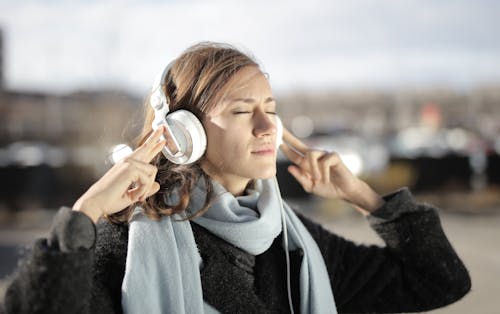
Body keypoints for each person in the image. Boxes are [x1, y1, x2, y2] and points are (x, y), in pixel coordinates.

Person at [1, 42, 470, 314]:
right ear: (185, 135)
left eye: (271, 109)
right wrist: (85, 215)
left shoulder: (294, 242)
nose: (269, 128)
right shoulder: (125, 243)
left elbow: (438, 280)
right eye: (244, 111)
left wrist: (364, 197)